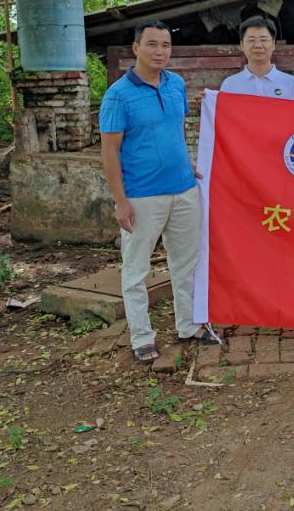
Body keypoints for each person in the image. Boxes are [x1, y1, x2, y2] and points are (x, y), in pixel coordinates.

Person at [99, 20, 219, 364]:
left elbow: (174, 131)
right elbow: (110, 152)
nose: (159, 52)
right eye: (152, 44)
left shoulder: (175, 84)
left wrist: (186, 163)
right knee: (136, 270)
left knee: (187, 263)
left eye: (165, 45)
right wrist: (120, 201)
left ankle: (189, 325)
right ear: (136, 48)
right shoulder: (118, 95)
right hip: (141, 195)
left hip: (184, 190)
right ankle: (141, 336)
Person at [219, 15, 294, 99]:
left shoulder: (290, 83)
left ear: (273, 44)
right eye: (251, 40)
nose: (258, 45)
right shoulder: (229, 85)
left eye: (263, 40)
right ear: (242, 45)